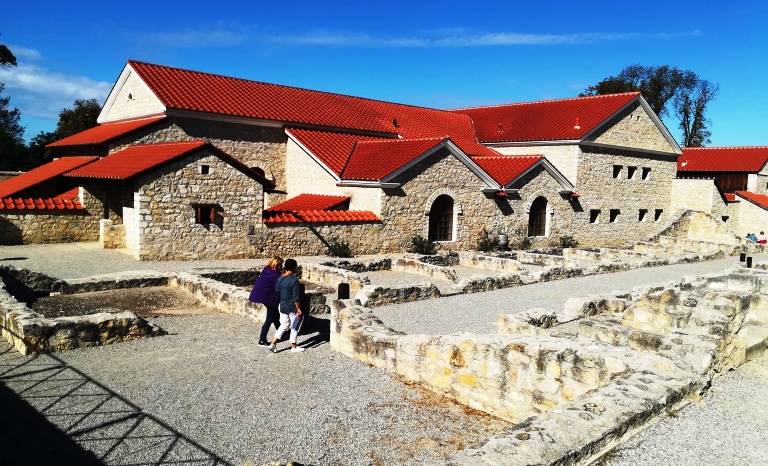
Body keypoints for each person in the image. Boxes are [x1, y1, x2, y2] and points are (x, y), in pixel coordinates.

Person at [269, 258, 306, 353]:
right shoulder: (294, 280)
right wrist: (299, 309)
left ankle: (273, 343)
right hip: (291, 307)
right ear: (294, 268)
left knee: (284, 325)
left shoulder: (280, 278)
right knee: (295, 326)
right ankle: (293, 346)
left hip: (282, 305)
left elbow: (277, 290)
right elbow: (296, 297)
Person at [248, 256, 283, 347]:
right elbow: (278, 287)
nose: (281, 267)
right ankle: (262, 339)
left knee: (275, 315)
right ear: (277, 265)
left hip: (264, 296)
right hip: (270, 298)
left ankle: (281, 332)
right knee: (270, 319)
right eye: (280, 265)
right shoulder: (275, 275)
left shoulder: (267, 271)